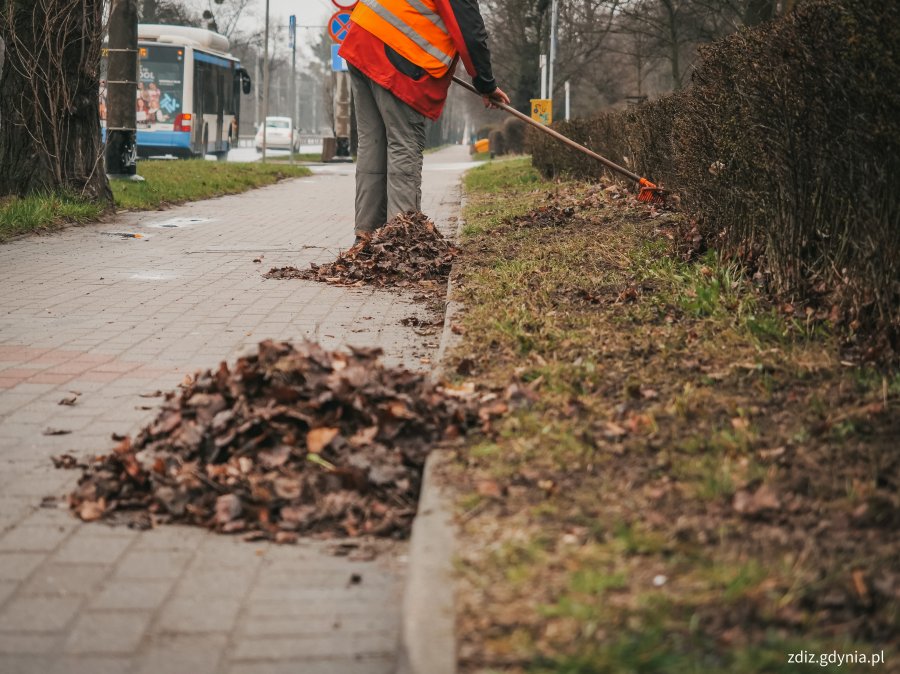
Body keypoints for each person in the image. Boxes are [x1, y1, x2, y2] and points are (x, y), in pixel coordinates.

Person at [339, 0, 509, 240]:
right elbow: (470, 33)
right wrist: (485, 83)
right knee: (403, 144)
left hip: (362, 38)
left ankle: (366, 236)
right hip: (397, 57)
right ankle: (398, 243)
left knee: (372, 143)